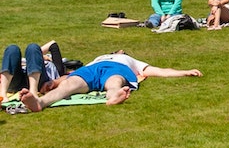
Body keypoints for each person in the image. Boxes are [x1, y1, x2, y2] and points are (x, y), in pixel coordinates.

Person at [17, 51, 202, 112]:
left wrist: (184, 72)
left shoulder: (131, 60)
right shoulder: (98, 57)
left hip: (117, 70)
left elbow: (159, 71)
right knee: (70, 84)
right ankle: (40, 102)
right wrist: (55, 82)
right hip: (92, 69)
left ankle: (114, 96)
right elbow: (69, 76)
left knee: (114, 81)